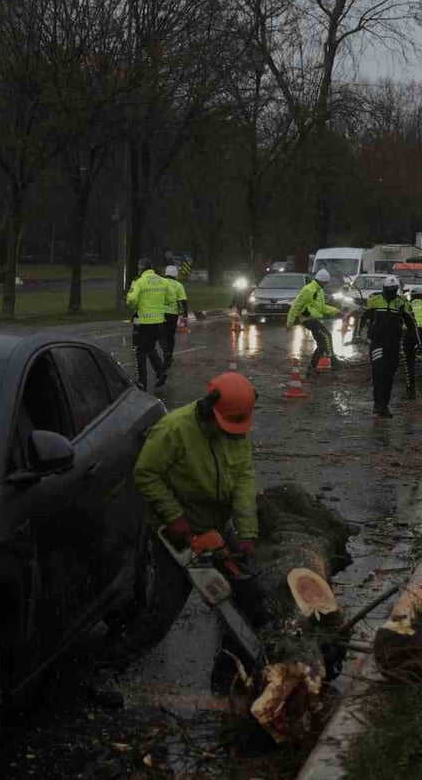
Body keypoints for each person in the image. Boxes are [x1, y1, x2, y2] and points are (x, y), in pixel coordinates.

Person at [111, 373, 265, 662]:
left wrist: (247, 533)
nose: (233, 433)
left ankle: (232, 664)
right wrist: (174, 515)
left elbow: (243, 479)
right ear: (210, 410)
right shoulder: (174, 429)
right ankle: (113, 665)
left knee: (248, 592)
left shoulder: (236, 431)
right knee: (164, 609)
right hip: (176, 531)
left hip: (216, 524)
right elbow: (145, 474)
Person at [363, 275, 410, 418]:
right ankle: (378, 404)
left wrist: (413, 340)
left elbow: (410, 323)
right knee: (379, 372)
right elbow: (364, 317)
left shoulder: (401, 302)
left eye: (394, 289)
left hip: (393, 344)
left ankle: (384, 405)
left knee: (389, 376)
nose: (392, 292)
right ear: (384, 288)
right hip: (377, 342)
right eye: (389, 289)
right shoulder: (374, 300)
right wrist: (359, 335)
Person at [287, 268, 342, 375]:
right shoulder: (308, 290)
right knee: (327, 335)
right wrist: (290, 322)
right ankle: (333, 360)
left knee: (321, 345)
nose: (326, 284)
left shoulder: (319, 290)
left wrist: (336, 312)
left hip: (314, 319)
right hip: (308, 320)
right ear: (321, 281)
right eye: (325, 282)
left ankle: (311, 368)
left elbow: (322, 308)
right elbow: (295, 306)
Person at [127, 258, 170, 391]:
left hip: (143, 322)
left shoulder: (139, 281)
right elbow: (170, 298)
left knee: (139, 351)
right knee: (150, 347)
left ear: (141, 268)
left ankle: (141, 382)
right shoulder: (163, 281)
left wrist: (132, 306)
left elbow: (132, 299)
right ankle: (161, 372)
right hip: (158, 322)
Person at [160, 264, 188, 370]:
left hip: (160, 313)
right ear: (175, 274)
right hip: (173, 314)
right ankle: (169, 355)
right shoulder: (178, 285)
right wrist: (184, 316)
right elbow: (183, 302)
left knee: (161, 335)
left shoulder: (160, 283)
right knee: (170, 336)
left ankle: (165, 352)